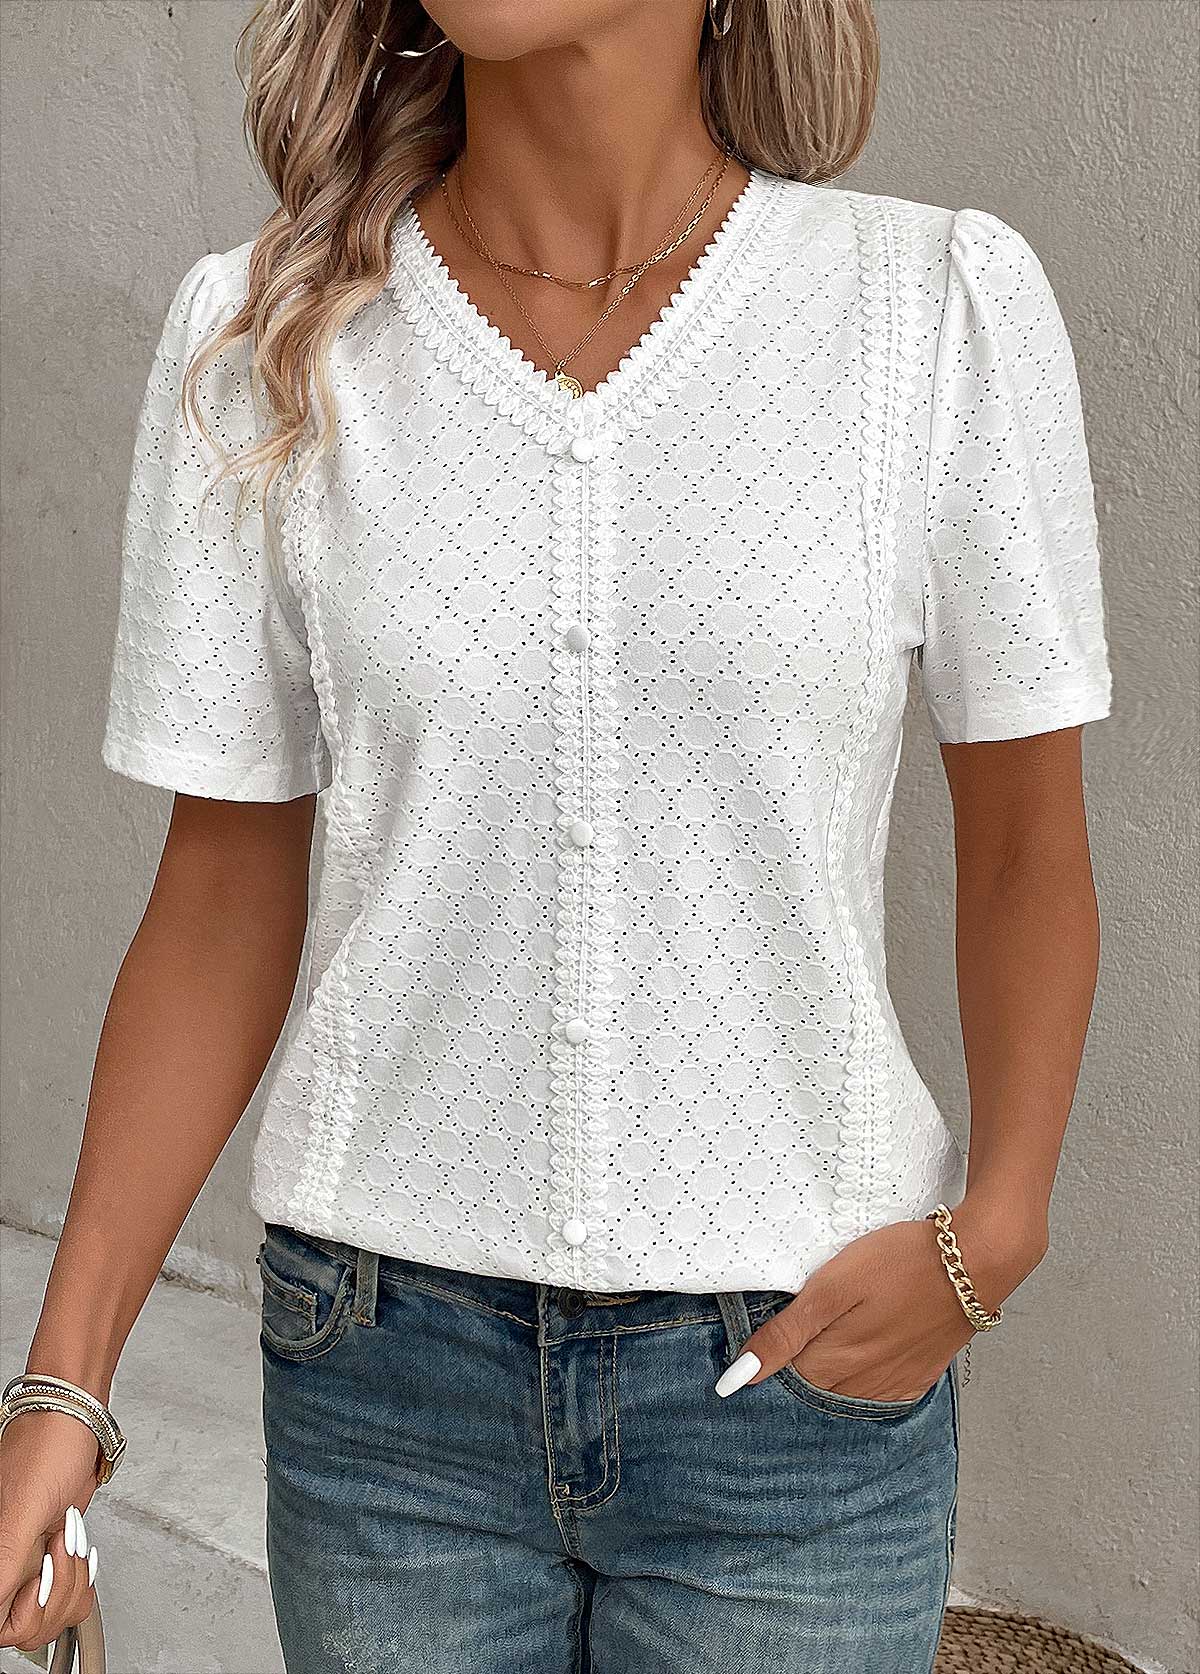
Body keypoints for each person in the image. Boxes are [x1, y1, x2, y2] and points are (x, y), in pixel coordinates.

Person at [0, 1, 1114, 1669]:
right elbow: (221, 893)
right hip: (383, 1390)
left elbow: (1025, 843)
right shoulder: (263, 336)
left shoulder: (924, 310)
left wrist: (997, 1229)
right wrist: (63, 1383)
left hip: (791, 1397)